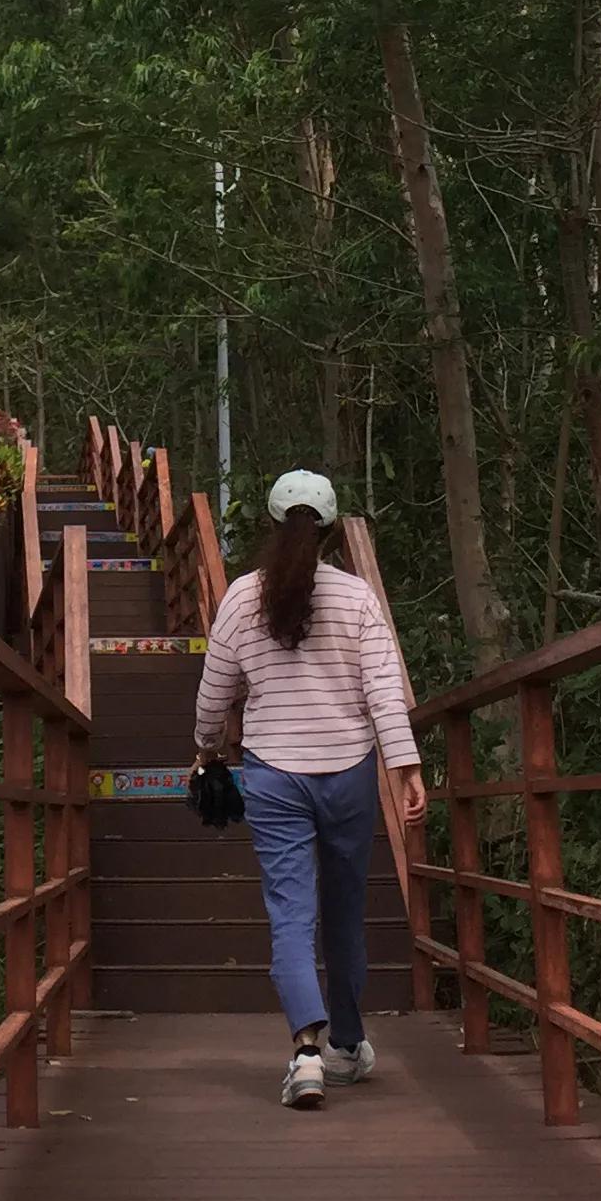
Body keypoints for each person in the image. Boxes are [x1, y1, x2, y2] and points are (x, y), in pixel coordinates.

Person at [192, 468, 427, 1108]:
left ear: (271, 522)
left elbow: (214, 693)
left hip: (273, 773)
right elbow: (383, 689)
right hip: (349, 771)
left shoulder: (242, 597)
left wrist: (207, 747)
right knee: (346, 911)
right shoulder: (356, 597)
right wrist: (405, 766)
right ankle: (348, 1044)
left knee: (290, 914)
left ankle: (306, 1055)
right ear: (327, 530)